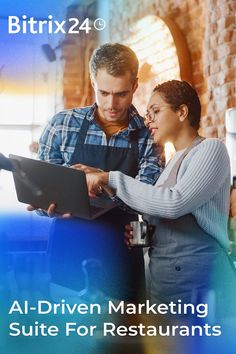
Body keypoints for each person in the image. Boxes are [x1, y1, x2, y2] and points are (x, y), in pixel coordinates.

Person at [86, 80, 236, 316]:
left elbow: (174, 203)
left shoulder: (212, 149)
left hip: (200, 286)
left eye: (155, 111)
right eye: (147, 114)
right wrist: (147, 234)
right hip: (164, 287)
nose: (148, 121)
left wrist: (111, 178)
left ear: (182, 112)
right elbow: (165, 212)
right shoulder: (173, 161)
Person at [28, 43, 163, 301]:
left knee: (125, 339)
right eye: (104, 92)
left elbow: (153, 203)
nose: (111, 104)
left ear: (135, 86)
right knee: (67, 337)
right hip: (67, 250)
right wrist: (44, 206)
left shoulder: (150, 136)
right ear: (92, 82)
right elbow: (40, 199)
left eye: (122, 94)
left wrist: (140, 237)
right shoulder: (61, 126)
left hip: (121, 252)